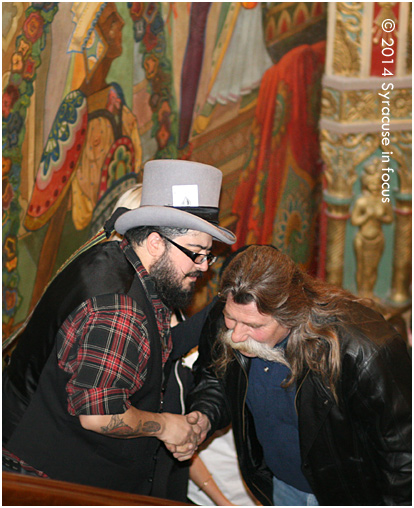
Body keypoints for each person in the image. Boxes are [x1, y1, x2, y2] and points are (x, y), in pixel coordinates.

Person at [2, 159, 236, 496]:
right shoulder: (120, 310)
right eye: (197, 253)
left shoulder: (115, 258)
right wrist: (165, 425)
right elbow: (100, 415)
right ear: (156, 242)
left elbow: (146, 351)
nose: (203, 267)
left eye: (208, 255)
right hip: (48, 478)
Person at [178, 245, 411, 506]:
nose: (236, 335)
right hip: (280, 488)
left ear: (290, 313)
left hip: (352, 496)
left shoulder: (364, 349)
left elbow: (403, 454)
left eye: (255, 326)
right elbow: (215, 376)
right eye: (231, 319)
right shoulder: (231, 313)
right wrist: (205, 417)